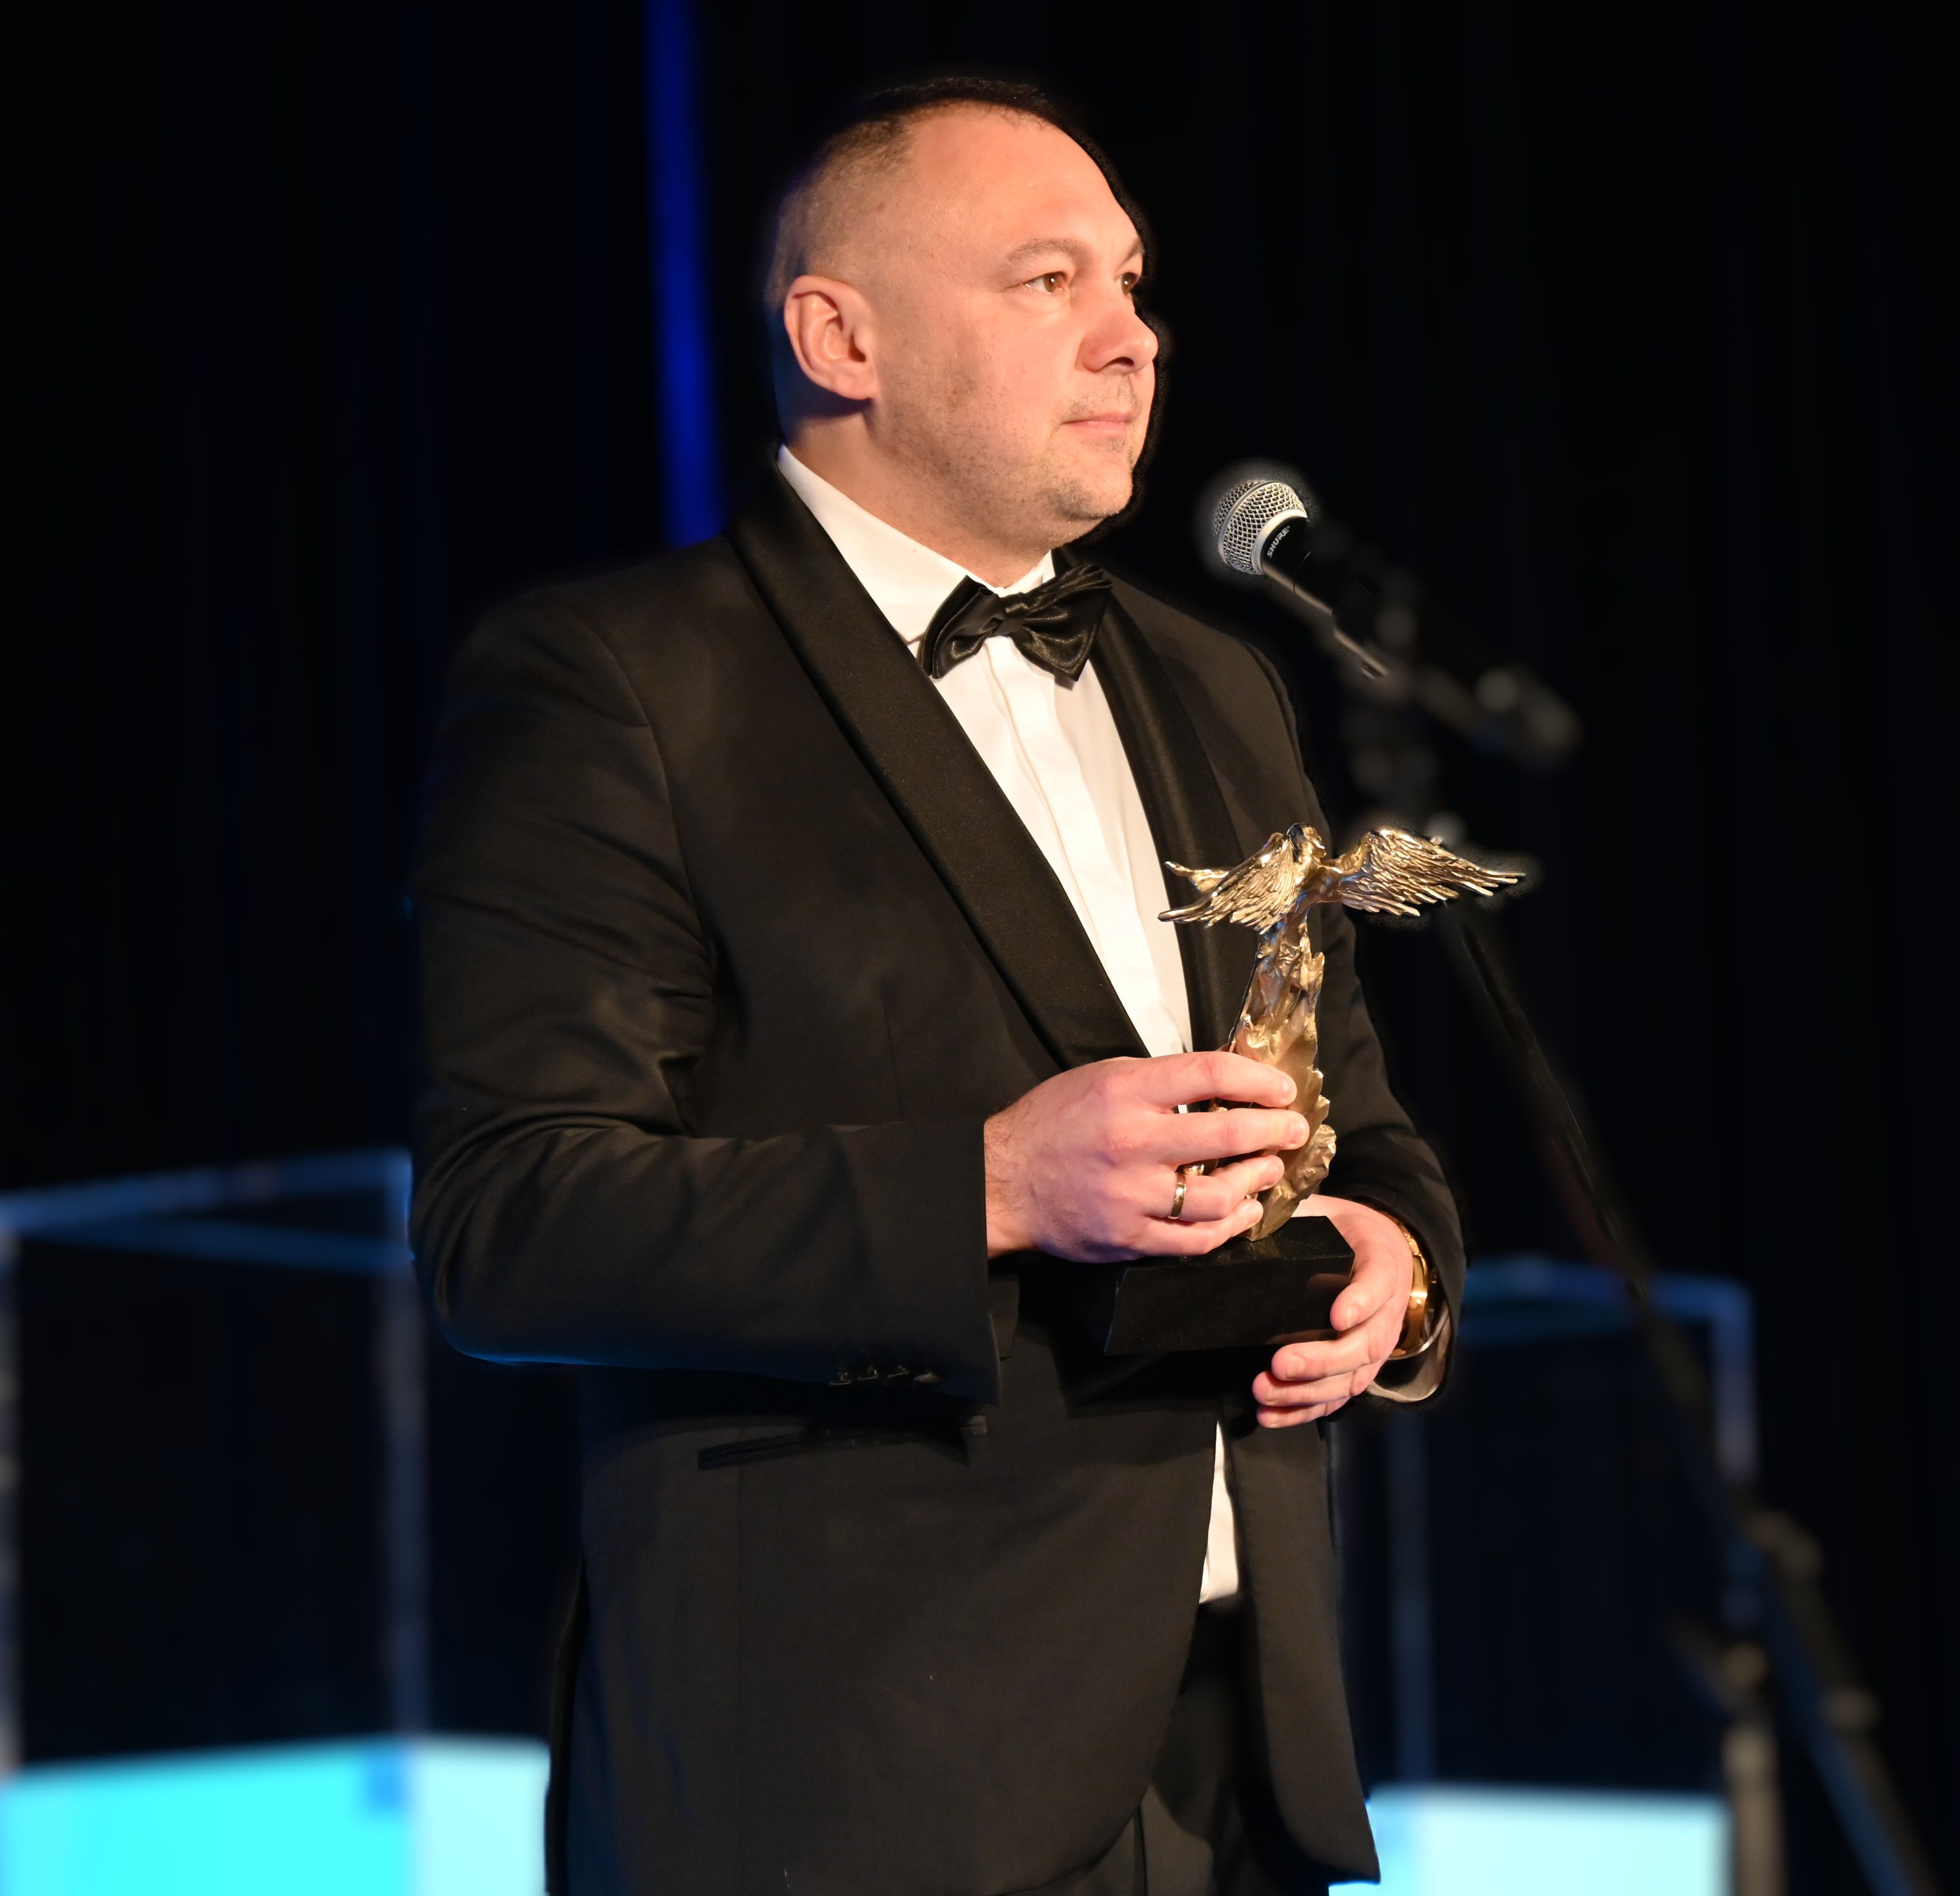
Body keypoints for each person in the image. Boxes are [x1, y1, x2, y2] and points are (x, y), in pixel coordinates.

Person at [409, 76, 1459, 1896]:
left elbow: (1358, 1123)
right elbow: (510, 1226)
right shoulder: (620, 682)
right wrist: (993, 1185)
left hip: (1235, 1770)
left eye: (1131, 283)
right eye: (1049, 282)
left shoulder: (1220, 685)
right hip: (849, 1780)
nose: (1133, 338)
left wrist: (1394, 1265)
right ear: (844, 339)